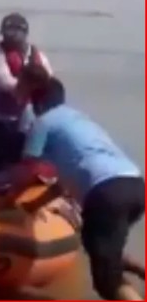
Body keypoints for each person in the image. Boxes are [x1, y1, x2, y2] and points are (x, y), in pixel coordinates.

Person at [19, 73, 144, 301]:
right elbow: (63, 184)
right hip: (135, 185)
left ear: (37, 103)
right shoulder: (78, 120)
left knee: (107, 281)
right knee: (98, 244)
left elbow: (28, 168)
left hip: (106, 194)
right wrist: (34, 205)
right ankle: (141, 272)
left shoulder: (43, 122)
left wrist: (6, 201)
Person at [0, 13, 54, 168]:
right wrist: (29, 86)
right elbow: (3, 81)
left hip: (27, 114)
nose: (11, 36)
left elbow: (50, 79)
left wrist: (34, 88)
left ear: (25, 33)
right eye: (8, 31)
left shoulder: (37, 55)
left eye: (16, 31)